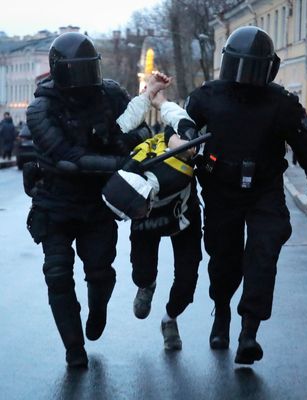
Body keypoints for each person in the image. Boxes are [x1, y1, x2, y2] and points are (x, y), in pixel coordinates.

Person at [151, 26, 307, 365]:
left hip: (264, 189)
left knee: (264, 251)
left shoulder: (282, 103)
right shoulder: (207, 96)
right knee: (224, 259)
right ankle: (222, 315)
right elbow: (178, 129)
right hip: (220, 187)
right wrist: (177, 142)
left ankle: (249, 331)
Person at [25, 32, 160, 368]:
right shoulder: (41, 108)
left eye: (89, 70)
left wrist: (138, 143)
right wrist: (119, 163)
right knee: (57, 274)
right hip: (55, 201)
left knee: (100, 271)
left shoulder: (110, 94)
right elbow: (68, 158)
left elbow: (131, 129)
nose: (85, 80)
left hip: (99, 201)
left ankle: (97, 311)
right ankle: (74, 349)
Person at [113, 89, 203, 351]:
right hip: (147, 217)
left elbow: (180, 119)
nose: (187, 148)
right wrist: (146, 98)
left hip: (183, 218)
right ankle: (147, 284)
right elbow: (119, 128)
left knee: (187, 283)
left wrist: (161, 102)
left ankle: (169, 319)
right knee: (142, 273)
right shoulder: (139, 162)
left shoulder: (189, 140)